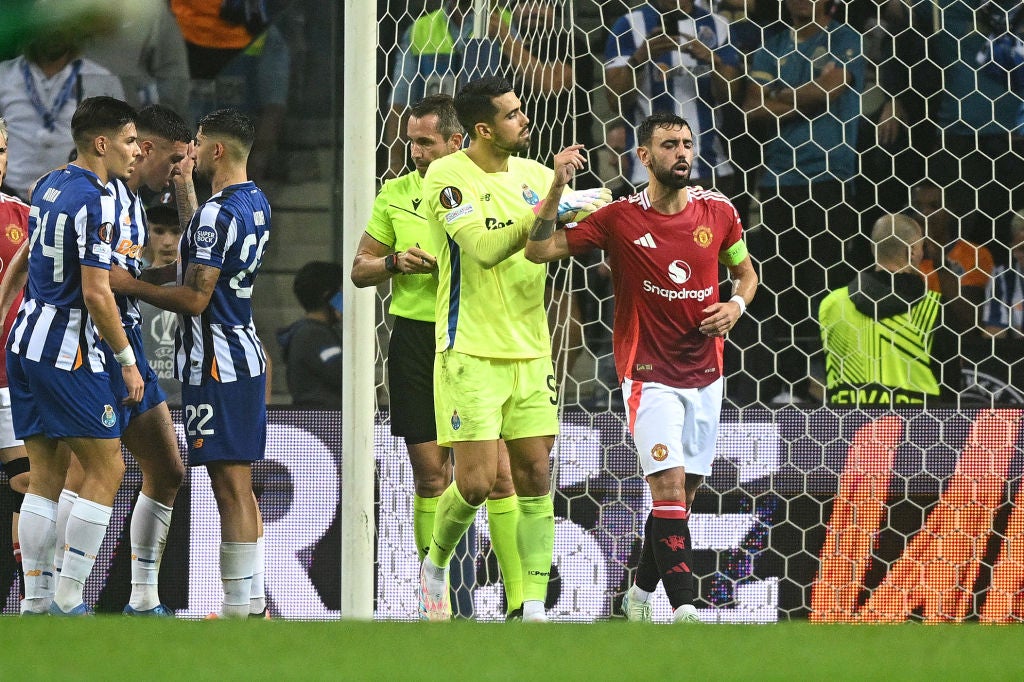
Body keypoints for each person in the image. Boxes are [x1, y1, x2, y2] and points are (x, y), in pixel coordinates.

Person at [525, 112, 758, 624]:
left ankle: (638, 594)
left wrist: (735, 307)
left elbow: (745, 273)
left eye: (687, 143)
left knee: (683, 497)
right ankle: (686, 609)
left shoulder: (718, 212)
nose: (682, 153)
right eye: (669, 145)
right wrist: (554, 187)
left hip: (706, 373)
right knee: (669, 490)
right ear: (645, 157)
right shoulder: (619, 219)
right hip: (648, 374)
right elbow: (539, 248)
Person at [351, 93, 525, 618]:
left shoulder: (491, 186)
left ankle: (520, 601)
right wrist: (396, 263)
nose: (415, 151)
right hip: (416, 342)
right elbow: (360, 269)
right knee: (431, 475)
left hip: (477, 339)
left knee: (497, 475)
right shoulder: (396, 194)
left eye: (425, 142)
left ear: (457, 140)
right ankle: (436, 603)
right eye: (410, 141)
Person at [415, 76, 580, 624]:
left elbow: (563, 226)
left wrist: (589, 209)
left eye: (521, 110)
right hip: (470, 350)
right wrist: (552, 202)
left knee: (535, 475)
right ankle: (436, 564)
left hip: (531, 350)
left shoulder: (534, 175)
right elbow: (483, 249)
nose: (524, 119)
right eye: (512, 115)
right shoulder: (447, 177)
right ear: (483, 129)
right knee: (478, 482)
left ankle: (531, 606)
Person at [110, 108, 270, 619]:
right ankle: (253, 602)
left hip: (215, 362)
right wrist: (184, 190)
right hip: (243, 353)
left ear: (217, 150)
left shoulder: (214, 216)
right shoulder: (253, 201)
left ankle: (238, 609)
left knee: (229, 486)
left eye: (197, 145)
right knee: (237, 483)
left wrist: (129, 285)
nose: (191, 153)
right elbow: (203, 247)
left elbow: (197, 297)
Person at [7, 96, 144, 616]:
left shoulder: (47, 182)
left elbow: (24, 259)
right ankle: (68, 597)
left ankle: (37, 601)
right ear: (102, 143)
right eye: (130, 141)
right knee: (107, 466)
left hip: (26, 340)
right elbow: (96, 293)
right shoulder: (96, 200)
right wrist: (127, 358)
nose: (136, 151)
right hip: (68, 352)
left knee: (45, 474)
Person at [740, 0, 865, 404]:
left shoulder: (845, 38)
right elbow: (752, 108)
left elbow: (832, 89)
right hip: (779, 179)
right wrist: (804, 97)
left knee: (827, 283)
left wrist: (780, 95)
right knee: (781, 286)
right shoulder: (771, 45)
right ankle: (792, 385)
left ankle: (839, 381)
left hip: (830, 175)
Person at [818, 213, 960, 406]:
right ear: (912, 251)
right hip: (919, 428)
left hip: (850, 426)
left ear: (873, 248)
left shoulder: (831, 304)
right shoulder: (933, 308)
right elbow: (951, 382)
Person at [603, 0, 740, 196]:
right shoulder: (629, 24)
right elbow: (615, 100)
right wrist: (640, 58)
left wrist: (713, 60)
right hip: (649, 170)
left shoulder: (718, 25)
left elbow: (731, 96)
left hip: (709, 166)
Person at [0, 25, 124, 200]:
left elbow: (118, 145)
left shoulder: (101, 79)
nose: (53, 33)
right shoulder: (4, 75)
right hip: (9, 195)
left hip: (74, 198)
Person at [0, 116, 29, 604]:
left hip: (8, 379)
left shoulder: (23, 216)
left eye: (1, 149)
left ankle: (36, 598)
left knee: (28, 481)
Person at [277, 260, 343, 409]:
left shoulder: (310, 331)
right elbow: (344, 377)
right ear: (327, 296)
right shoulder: (313, 335)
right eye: (339, 293)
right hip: (321, 422)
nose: (343, 298)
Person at [137, 200, 185, 406]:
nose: (167, 242)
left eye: (176, 232)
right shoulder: (129, 283)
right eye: (158, 231)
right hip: (142, 402)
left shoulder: (204, 288)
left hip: (190, 403)